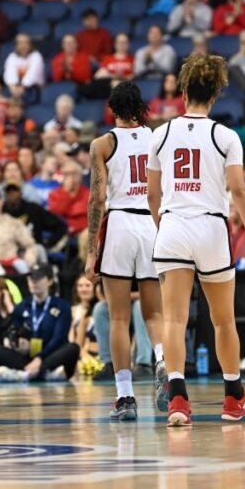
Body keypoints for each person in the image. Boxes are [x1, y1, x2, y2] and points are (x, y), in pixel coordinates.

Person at [148, 53, 245, 426]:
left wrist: (162, 224)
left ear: (182, 92)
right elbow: (239, 192)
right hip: (212, 228)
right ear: (215, 96)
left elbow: (152, 195)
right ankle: (233, 398)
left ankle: (178, 401)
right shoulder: (226, 136)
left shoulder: (160, 134)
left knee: (174, 320)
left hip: (173, 226)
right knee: (223, 320)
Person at [85, 82, 166, 419]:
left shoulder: (102, 144)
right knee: (155, 314)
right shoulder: (158, 138)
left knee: (118, 316)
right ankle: (162, 362)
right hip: (150, 223)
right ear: (141, 108)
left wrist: (92, 251)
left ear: (112, 109)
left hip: (119, 224)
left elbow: (97, 200)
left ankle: (125, 398)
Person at [0, 264, 78, 381]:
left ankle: (26, 373)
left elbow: (59, 338)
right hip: (27, 357)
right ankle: (42, 373)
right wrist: (16, 344)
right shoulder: (22, 306)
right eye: (31, 278)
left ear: (50, 281)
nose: (34, 282)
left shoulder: (62, 306)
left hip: (50, 355)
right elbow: (13, 330)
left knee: (72, 348)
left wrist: (40, 358)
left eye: (38, 278)